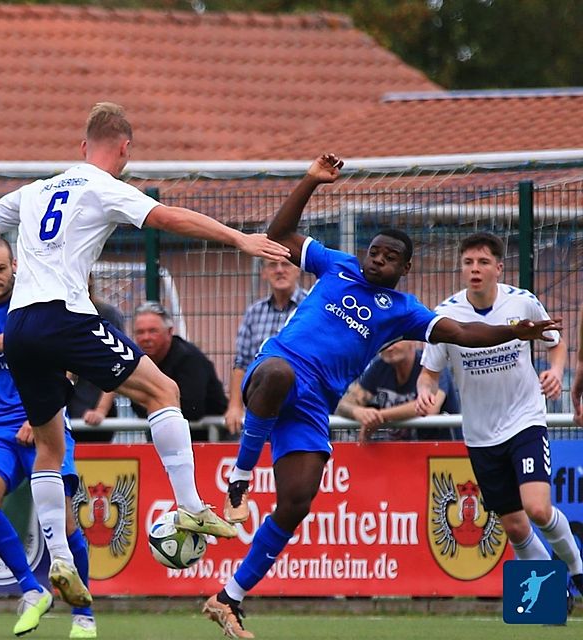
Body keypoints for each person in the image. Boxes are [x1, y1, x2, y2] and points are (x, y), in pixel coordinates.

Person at [0, 102, 291, 606]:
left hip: (19, 328)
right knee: (164, 389)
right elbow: (170, 217)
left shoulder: (35, 191)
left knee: (49, 446)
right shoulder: (104, 187)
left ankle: (58, 558)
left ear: (82, 146)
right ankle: (189, 506)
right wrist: (239, 238)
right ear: (123, 149)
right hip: (64, 317)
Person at [203, 155, 562, 639]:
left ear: (405, 267)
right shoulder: (337, 265)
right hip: (277, 372)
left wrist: (512, 330)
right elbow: (281, 234)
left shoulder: (405, 311)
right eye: (374, 251)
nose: (377, 258)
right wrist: (310, 181)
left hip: (315, 405)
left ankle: (229, 598)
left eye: (389, 257)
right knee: (279, 374)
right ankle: (240, 480)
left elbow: (460, 331)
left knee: (295, 502)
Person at [417, 231, 583, 604]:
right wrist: (425, 393)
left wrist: (555, 371)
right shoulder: (445, 317)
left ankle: (577, 571)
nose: (475, 270)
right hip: (479, 434)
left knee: (538, 508)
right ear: (462, 269)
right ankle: (552, 597)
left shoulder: (522, 303)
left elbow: (556, 344)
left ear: (498, 268)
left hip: (524, 420)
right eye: (468, 263)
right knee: (513, 524)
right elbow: (428, 374)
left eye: (483, 262)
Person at [0, 235, 96, 638]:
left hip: (44, 420)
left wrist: (40, 416)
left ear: (15, 264)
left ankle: (84, 617)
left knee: (67, 525)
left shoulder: (38, 297)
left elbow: (71, 367)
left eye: (0, 269)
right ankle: (32, 590)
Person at [224, 258, 307, 436]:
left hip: (302, 407)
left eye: (286, 264)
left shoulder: (311, 307)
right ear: (263, 273)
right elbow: (241, 362)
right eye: (272, 265)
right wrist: (235, 406)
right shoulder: (254, 312)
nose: (279, 270)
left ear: (298, 270)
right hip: (259, 407)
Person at [131, 301, 227, 441]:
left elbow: (192, 410)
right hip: (167, 437)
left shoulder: (189, 358)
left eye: (153, 331)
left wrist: (151, 402)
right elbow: (136, 403)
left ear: (169, 332)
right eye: (140, 332)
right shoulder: (138, 359)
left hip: (210, 439)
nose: (146, 338)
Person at [335, 340, 459, 443]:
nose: (389, 347)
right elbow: (344, 404)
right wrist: (358, 412)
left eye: (396, 341)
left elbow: (431, 407)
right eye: (385, 341)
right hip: (398, 456)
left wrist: (378, 417)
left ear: (412, 340)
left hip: (441, 456)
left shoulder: (430, 367)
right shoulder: (379, 367)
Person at [67, 272, 122, 443]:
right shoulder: (55, 315)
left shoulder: (107, 314)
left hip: (96, 417)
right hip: (64, 413)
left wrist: (100, 410)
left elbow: (118, 365)